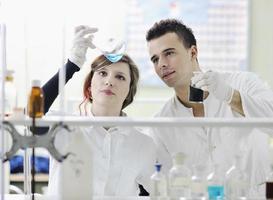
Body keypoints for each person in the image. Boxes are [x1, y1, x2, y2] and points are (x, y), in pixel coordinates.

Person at [145, 18, 273, 197]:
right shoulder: (160, 124)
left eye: (169, 53)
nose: (162, 64)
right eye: (155, 59)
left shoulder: (244, 83)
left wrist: (230, 96)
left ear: (193, 52)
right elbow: (169, 190)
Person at [43, 26, 156, 196]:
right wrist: (72, 64)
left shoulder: (143, 143)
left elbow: (153, 192)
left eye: (120, 77)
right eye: (102, 73)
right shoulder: (63, 128)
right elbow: (30, 113)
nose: (109, 81)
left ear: (129, 91)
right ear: (90, 84)